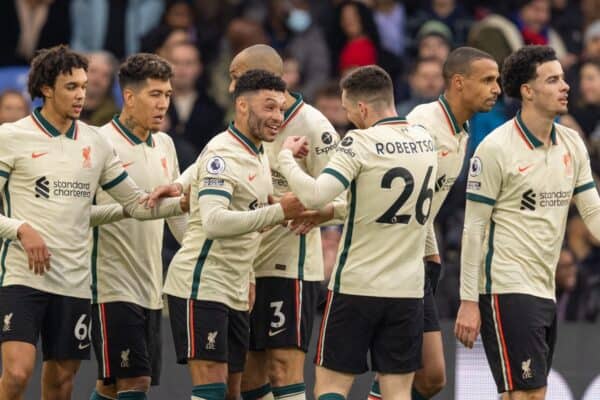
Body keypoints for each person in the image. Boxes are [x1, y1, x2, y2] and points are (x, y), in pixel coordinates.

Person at [0, 45, 185, 400]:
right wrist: (21, 229)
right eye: (71, 86)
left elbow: (136, 204)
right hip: (23, 275)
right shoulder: (12, 137)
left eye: (84, 86)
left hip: (74, 281)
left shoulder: (95, 142)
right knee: (19, 371)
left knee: (61, 383)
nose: (82, 94)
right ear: (46, 89)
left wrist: (183, 197)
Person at [279, 65, 437, 400]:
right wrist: (331, 213)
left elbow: (315, 193)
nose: (350, 119)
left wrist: (286, 160)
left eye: (350, 111)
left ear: (363, 108)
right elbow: (377, 203)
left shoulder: (359, 141)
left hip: (357, 285)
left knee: (332, 386)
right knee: (397, 392)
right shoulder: (426, 140)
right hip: (408, 291)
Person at [455, 45, 600, 400]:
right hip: (506, 287)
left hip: (545, 287)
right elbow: (473, 228)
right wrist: (468, 300)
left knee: (523, 394)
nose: (565, 86)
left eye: (563, 78)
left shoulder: (572, 143)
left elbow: (593, 211)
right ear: (527, 91)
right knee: (529, 394)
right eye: (553, 80)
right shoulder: (494, 149)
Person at [162, 69, 306, 400]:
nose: (278, 117)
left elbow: (250, 215)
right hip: (202, 284)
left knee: (232, 392)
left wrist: (250, 277)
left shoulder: (256, 152)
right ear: (242, 106)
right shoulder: (221, 155)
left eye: (282, 109)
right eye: (269, 107)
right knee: (211, 389)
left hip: (236, 287)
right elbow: (214, 222)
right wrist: (280, 210)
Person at [369, 47, 501, 400]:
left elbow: (423, 203)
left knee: (431, 378)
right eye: (488, 80)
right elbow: (386, 190)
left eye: (497, 80)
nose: (497, 89)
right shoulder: (423, 126)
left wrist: (431, 249)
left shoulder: (463, 130)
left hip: (417, 259)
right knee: (399, 373)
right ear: (459, 82)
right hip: (391, 260)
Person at [227, 45, 341, 400]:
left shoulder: (314, 125)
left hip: (289, 265)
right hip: (248, 262)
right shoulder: (247, 120)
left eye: (236, 78)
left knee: (282, 367)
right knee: (248, 371)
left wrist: (321, 213)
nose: (232, 88)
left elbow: (347, 196)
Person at [88, 53, 189, 400]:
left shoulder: (166, 144)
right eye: (155, 95)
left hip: (150, 285)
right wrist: (131, 209)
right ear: (129, 98)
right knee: (135, 383)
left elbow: (175, 215)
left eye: (168, 95)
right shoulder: (99, 143)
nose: (163, 104)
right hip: (111, 284)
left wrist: (201, 253)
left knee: (111, 386)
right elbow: (78, 215)